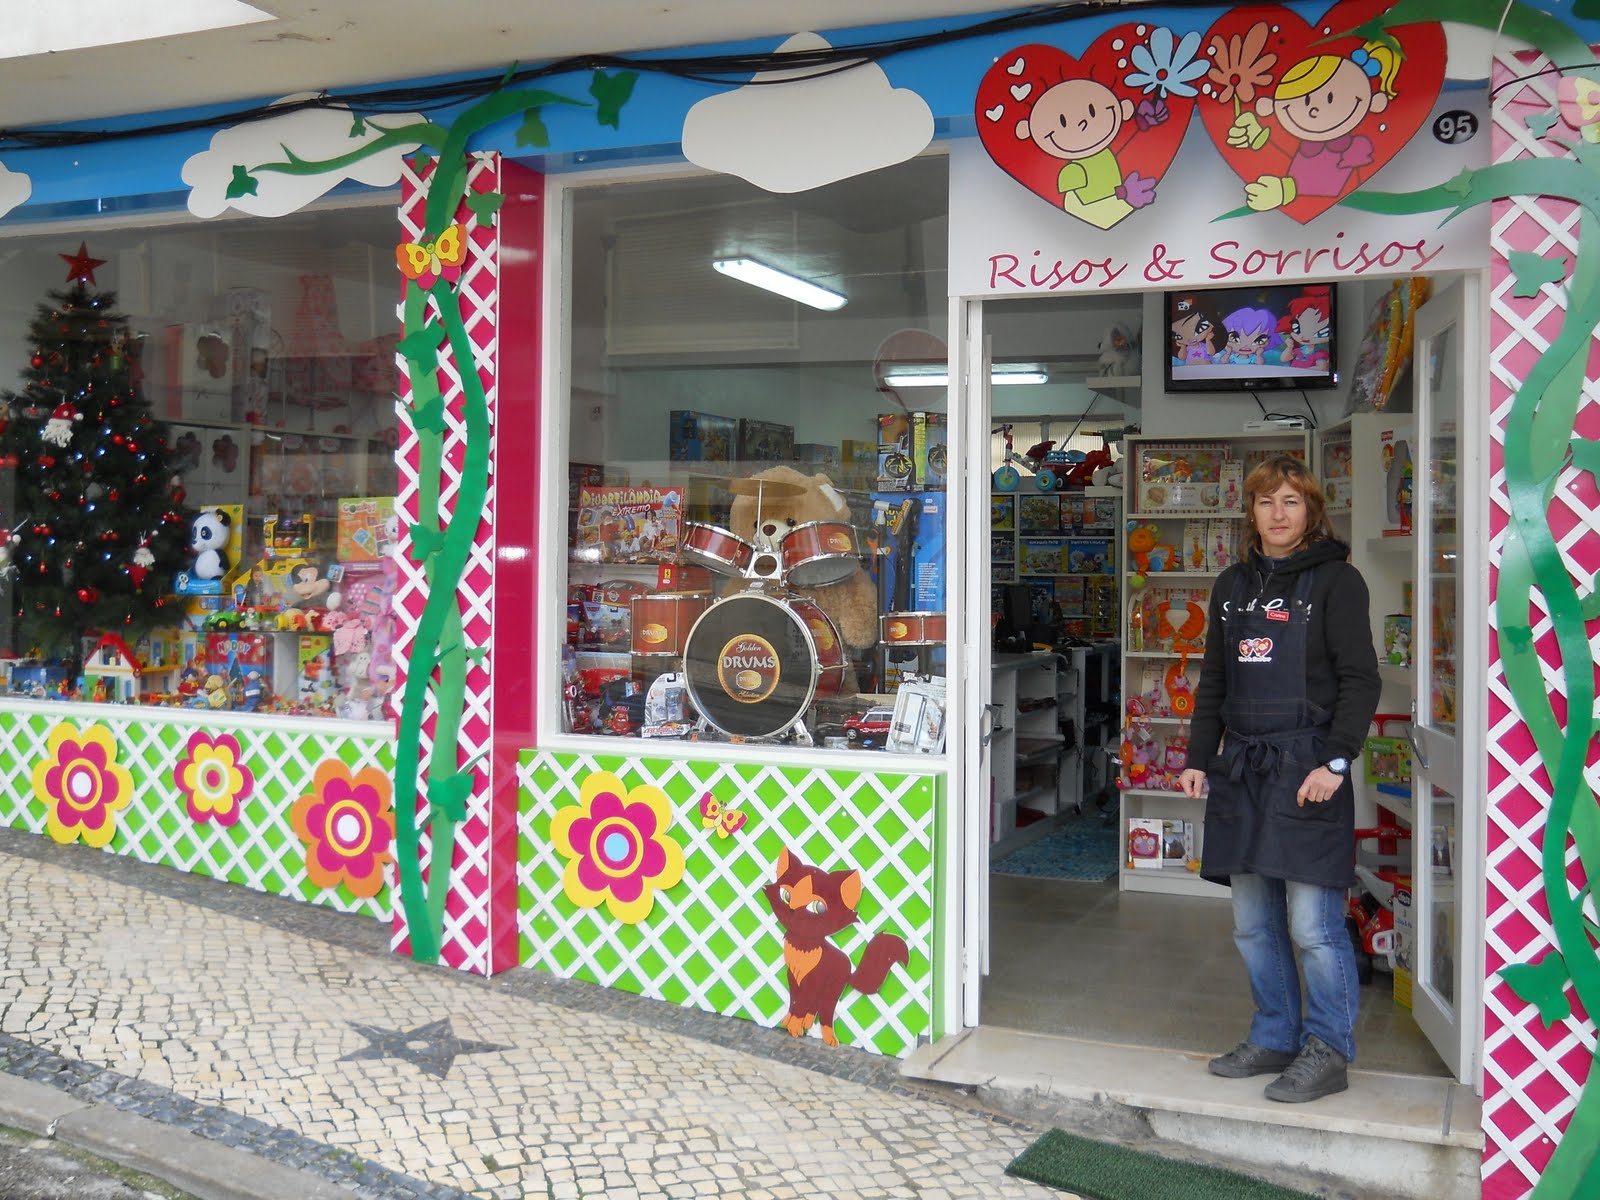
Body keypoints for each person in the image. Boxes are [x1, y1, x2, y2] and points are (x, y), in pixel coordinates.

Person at [1178, 455, 1380, 1103]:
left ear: (1311, 510)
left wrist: (1336, 761)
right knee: (1251, 923)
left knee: (1313, 926)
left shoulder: (1338, 581)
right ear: (1252, 511)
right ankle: (1275, 1035)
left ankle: (1329, 1049)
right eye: (1267, 501)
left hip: (1308, 768)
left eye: (1291, 501)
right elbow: (1215, 679)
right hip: (1243, 767)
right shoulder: (1232, 584)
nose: (1279, 513)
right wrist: (1198, 757)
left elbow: (1361, 680)